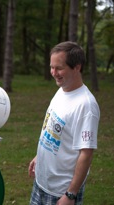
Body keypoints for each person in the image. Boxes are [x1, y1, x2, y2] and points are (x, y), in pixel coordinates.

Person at [28, 41, 100, 205]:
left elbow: (86, 154)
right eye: (51, 67)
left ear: (77, 67)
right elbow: (53, 130)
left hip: (61, 191)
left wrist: (71, 194)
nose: (54, 73)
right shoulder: (62, 90)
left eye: (59, 68)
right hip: (42, 182)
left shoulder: (86, 106)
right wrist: (39, 156)